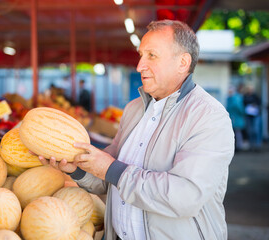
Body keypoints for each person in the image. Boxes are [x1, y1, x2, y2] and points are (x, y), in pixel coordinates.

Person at [39, 20, 234, 240]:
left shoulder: (208, 116)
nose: (139, 65)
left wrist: (111, 169)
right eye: (141, 55)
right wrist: (76, 169)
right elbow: (107, 178)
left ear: (182, 62)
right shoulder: (133, 109)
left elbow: (184, 196)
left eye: (152, 55)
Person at [226, 86, 246, 151]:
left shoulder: (235, 98)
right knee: (236, 132)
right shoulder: (231, 98)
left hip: (236, 118)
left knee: (237, 132)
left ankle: (239, 146)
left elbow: (239, 108)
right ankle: (236, 146)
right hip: (234, 118)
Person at [243, 85, 262, 151]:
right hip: (248, 116)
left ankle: (258, 145)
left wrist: (255, 104)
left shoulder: (256, 96)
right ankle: (251, 145)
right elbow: (243, 104)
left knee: (256, 130)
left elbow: (259, 103)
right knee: (250, 131)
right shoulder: (245, 96)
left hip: (255, 115)